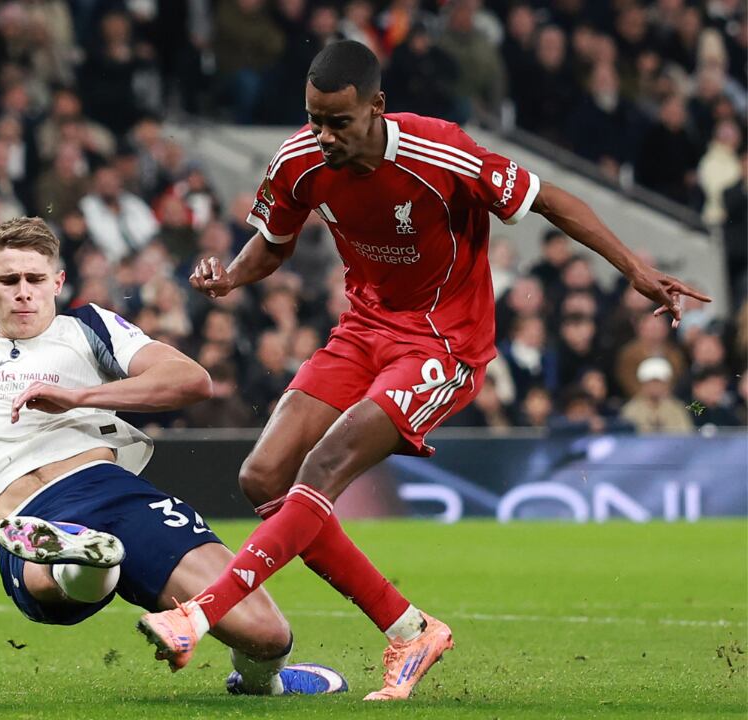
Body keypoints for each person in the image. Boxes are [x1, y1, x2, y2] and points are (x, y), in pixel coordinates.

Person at [138, 40, 711, 701]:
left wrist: (634, 270)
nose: (322, 136)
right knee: (261, 476)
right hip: (362, 331)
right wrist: (231, 276)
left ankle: (199, 614)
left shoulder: (442, 152)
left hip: (444, 345)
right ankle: (410, 629)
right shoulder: (299, 160)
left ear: (377, 108)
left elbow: (550, 199)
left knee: (322, 470)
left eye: (338, 122)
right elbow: (273, 242)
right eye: (314, 119)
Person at [0, 217, 342, 697]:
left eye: (34, 278)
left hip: (111, 491)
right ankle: (84, 554)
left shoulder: (88, 328)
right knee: (52, 578)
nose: (23, 290)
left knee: (267, 633)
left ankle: (260, 682)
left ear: (57, 281)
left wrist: (77, 397)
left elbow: (191, 380)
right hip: (22, 511)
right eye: (8, 279)